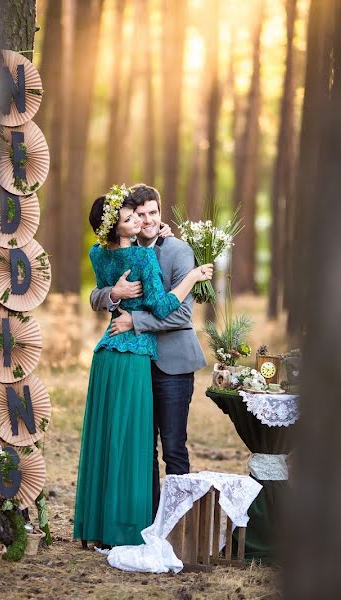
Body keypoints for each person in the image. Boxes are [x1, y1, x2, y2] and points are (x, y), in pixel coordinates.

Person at [74, 184, 213, 548]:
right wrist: (113, 294)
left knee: (173, 448)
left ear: (160, 212)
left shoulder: (179, 250)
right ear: (130, 219)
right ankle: (146, 524)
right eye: (139, 214)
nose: (146, 220)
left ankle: (179, 531)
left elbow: (181, 314)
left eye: (152, 213)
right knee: (139, 449)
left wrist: (135, 322)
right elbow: (96, 293)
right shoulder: (129, 250)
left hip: (171, 364)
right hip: (135, 363)